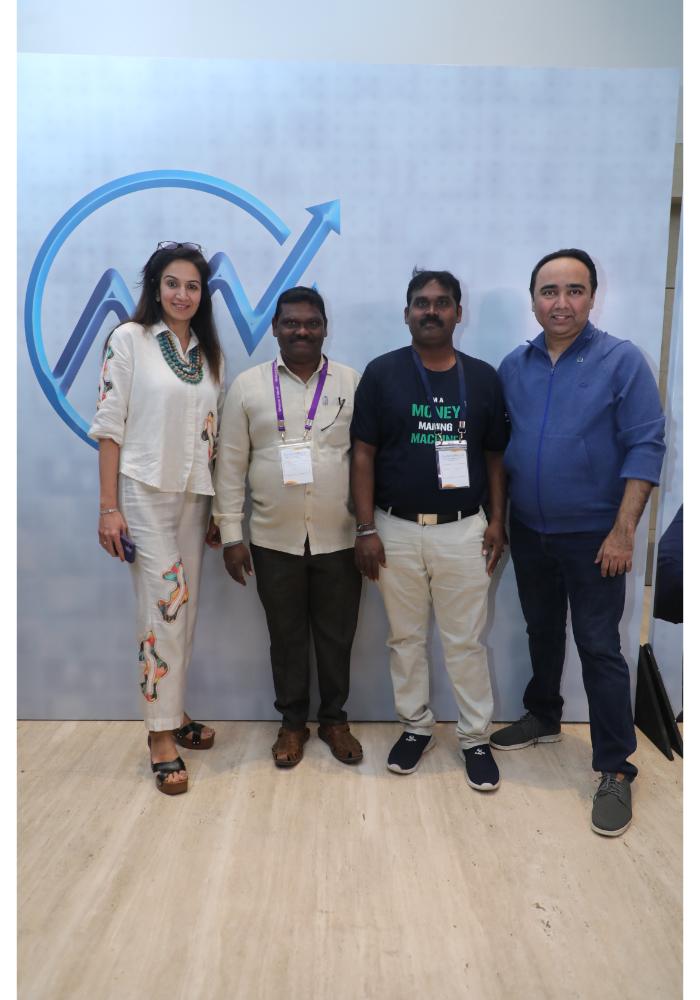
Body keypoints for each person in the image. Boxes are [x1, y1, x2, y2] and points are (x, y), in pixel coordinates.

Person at [490, 248, 665, 836]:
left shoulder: (622, 361)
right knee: (541, 630)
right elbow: (502, 449)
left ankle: (615, 768)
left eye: (574, 290)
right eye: (549, 291)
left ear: (592, 296)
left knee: (598, 646)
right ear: (533, 299)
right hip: (530, 531)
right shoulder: (515, 365)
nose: (560, 303)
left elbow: (645, 448)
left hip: (596, 537)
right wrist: (500, 521)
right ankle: (543, 715)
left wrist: (623, 532)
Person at [351, 269, 508, 790]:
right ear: (407, 313)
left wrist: (497, 521)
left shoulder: (483, 378)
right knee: (405, 638)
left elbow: (494, 456)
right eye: (422, 302)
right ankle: (416, 726)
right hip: (394, 529)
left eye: (442, 303)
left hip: (464, 530)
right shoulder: (382, 373)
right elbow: (363, 454)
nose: (432, 311)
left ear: (459, 313)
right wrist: (365, 528)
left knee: (466, 641)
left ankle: (475, 737)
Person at [89, 242, 224, 795]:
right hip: (143, 492)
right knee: (162, 611)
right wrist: (109, 507)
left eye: (192, 286)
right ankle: (160, 736)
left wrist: (217, 508)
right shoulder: (129, 339)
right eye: (172, 284)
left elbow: (212, 437)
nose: (182, 295)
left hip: (194, 495)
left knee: (184, 612)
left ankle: (174, 710)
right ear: (155, 287)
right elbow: (109, 426)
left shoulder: (209, 355)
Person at [213, 286, 363, 768]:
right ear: (275, 328)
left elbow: (367, 461)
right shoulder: (248, 387)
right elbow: (230, 467)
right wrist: (231, 536)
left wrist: (368, 530)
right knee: (286, 637)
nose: (302, 331)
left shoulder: (352, 382)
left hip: (339, 539)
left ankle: (335, 721)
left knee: (338, 637)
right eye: (291, 323)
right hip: (272, 540)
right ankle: (293, 725)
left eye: (311, 323)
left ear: (325, 328)